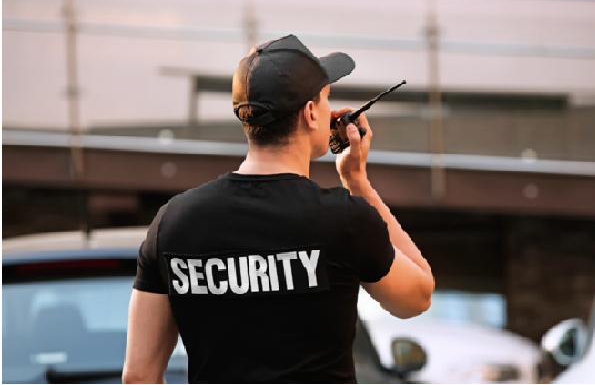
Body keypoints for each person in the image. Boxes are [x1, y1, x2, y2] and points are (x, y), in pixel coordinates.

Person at [123, 34, 434, 384]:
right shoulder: (344, 219)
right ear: (311, 113)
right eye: (326, 99)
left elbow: (138, 376)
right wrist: (357, 181)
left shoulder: (172, 222)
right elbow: (418, 297)